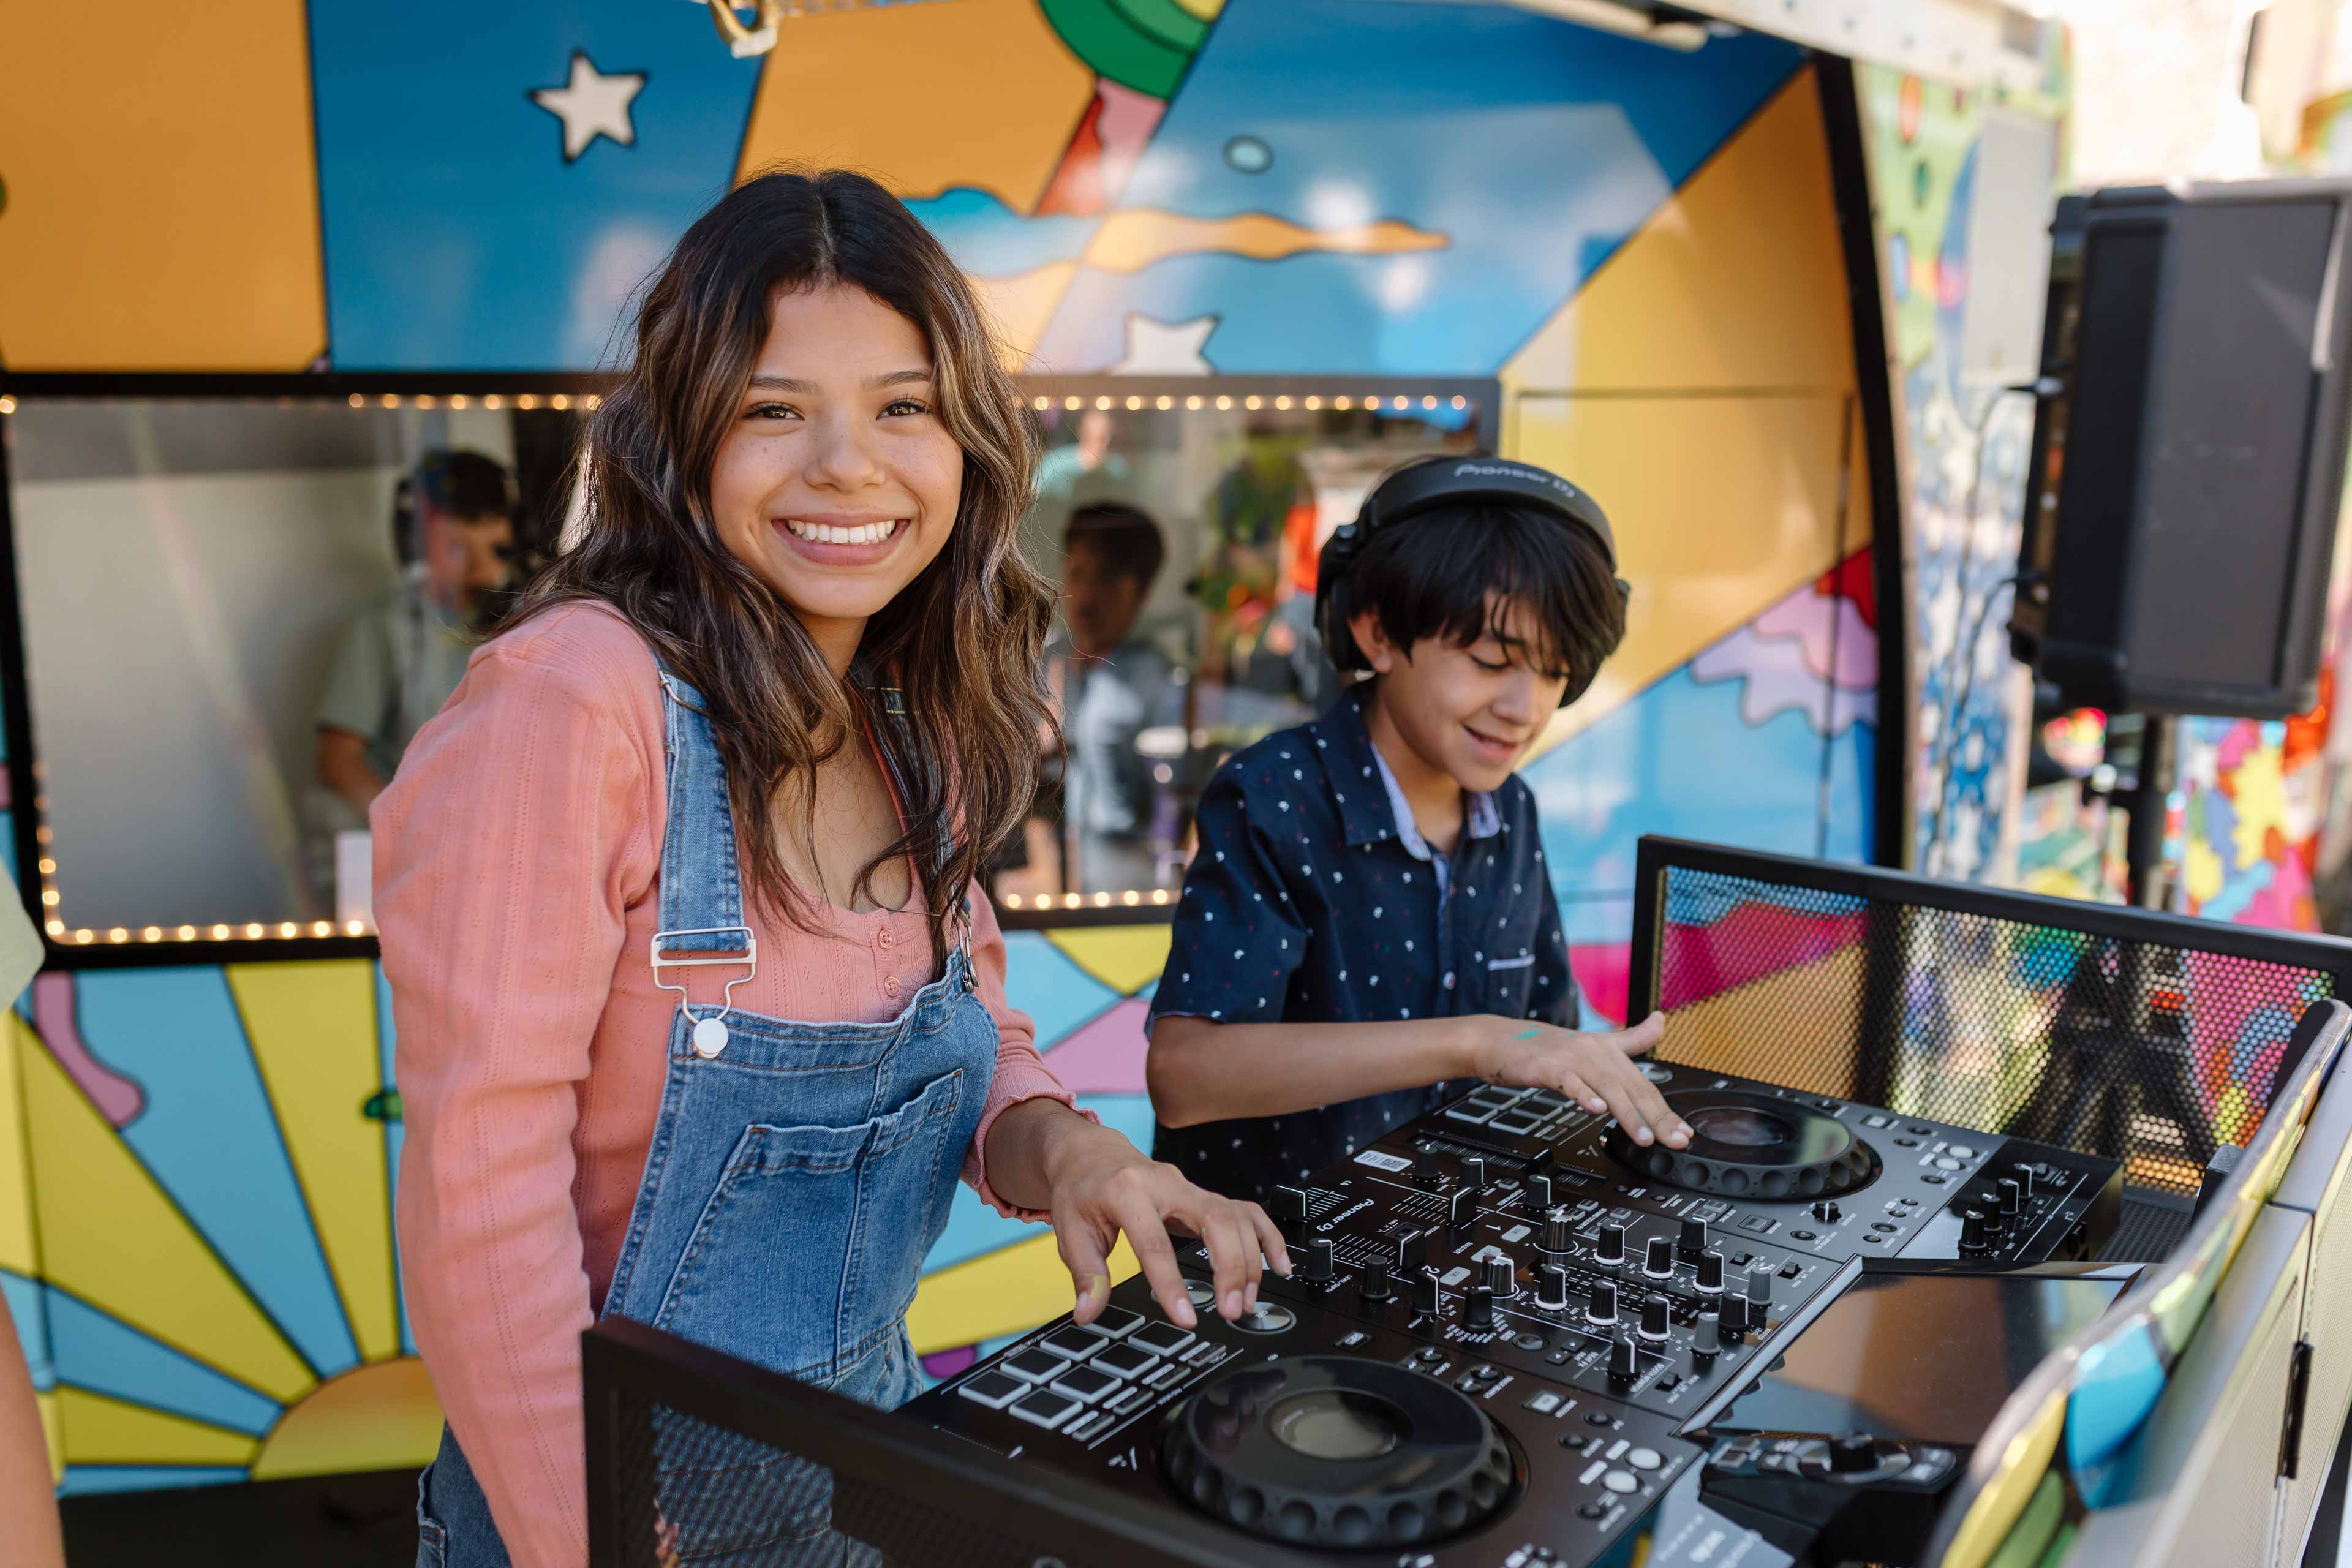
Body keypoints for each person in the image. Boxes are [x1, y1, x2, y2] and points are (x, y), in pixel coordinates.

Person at [373, 170, 1283, 1568]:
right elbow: (475, 1206)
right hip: (608, 1507)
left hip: (859, 1472)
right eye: (772, 407)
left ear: (967, 443)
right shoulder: (573, 701)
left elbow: (971, 1043)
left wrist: (1080, 1154)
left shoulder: (921, 723)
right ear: (682, 439)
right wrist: (599, 1534)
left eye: (902, 406)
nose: (845, 464)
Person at [1143, 455, 1693, 1203]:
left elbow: (1540, 1033)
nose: (1525, 708)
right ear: (1375, 633)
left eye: (1557, 672)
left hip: (1446, 1262)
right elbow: (1185, 1076)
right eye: (1492, 660)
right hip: (1268, 1270)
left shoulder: (1513, 811)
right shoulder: (1275, 796)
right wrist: (1475, 1041)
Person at [315, 449, 519, 815]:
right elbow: (339, 760)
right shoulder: (383, 626)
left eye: (480, 521)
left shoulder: (536, 619)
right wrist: (408, 831)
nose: (465, 545)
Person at [1051, 502, 1185, 892]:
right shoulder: (1048, 662)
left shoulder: (1157, 679)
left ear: (1141, 593)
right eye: (1077, 574)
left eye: (1107, 578)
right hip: (1063, 877)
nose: (1087, 593)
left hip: (1136, 880)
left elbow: (1172, 799)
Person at [1016, 408, 1131, 576]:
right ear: (1082, 431)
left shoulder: (1117, 468)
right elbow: (1032, 498)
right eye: (1093, 434)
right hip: (1054, 542)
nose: (1098, 441)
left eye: (1102, 436)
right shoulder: (1057, 463)